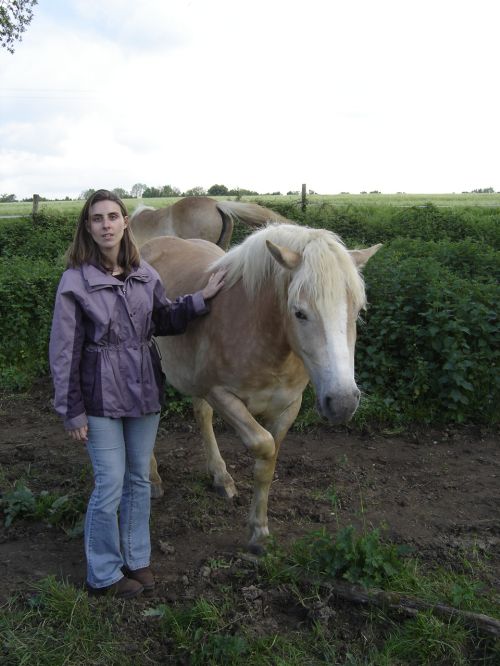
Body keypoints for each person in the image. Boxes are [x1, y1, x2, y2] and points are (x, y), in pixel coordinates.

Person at [49, 189, 225, 599]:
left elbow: (162, 318)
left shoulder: (145, 273)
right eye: (97, 218)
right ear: (88, 227)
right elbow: (63, 350)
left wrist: (202, 298)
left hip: (143, 389)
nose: (106, 224)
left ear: (126, 222)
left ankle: (137, 558)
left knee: (138, 480)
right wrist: (70, 409)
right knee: (109, 483)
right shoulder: (76, 281)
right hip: (99, 395)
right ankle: (105, 573)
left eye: (113, 216)